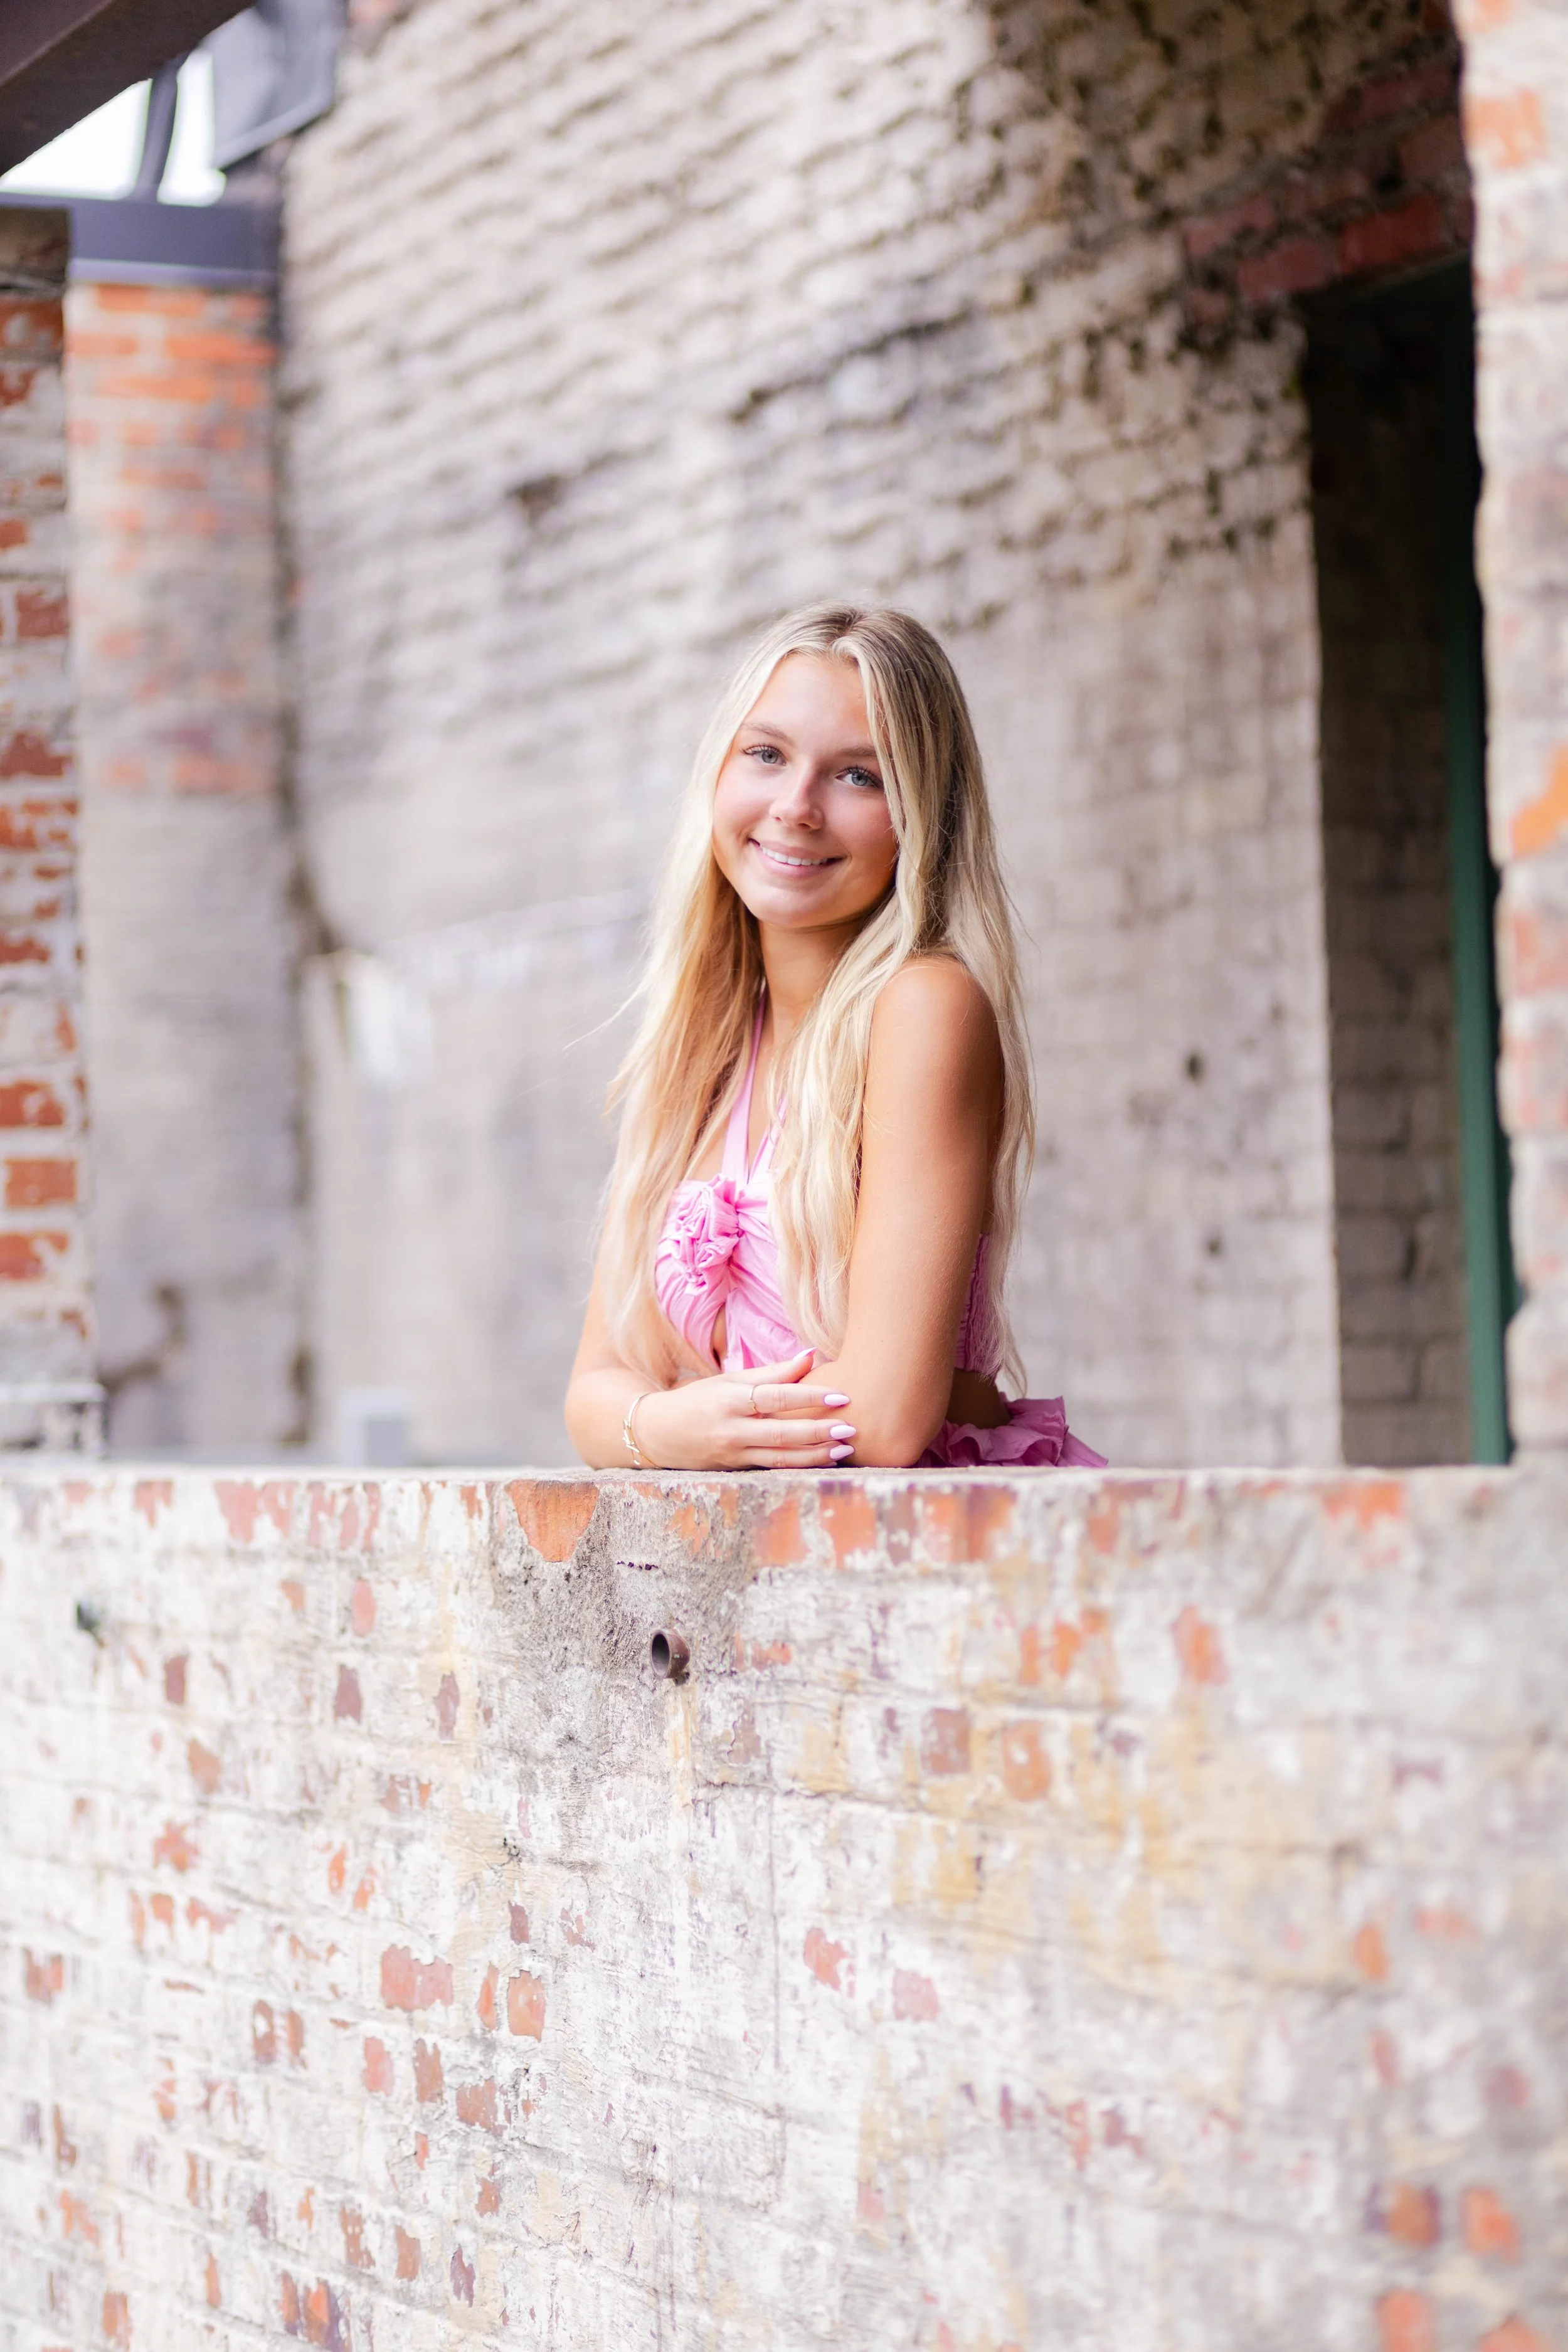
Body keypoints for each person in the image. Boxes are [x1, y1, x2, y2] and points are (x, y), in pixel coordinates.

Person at [564, 603, 1104, 1474]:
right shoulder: (700, 1047)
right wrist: (667, 1428)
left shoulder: (925, 1006)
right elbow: (593, 1389)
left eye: (858, 776)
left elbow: (883, 1419)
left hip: (924, 1564)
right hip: (760, 1569)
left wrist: (667, 1421)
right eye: (768, 755)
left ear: (921, 816)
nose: (796, 807)